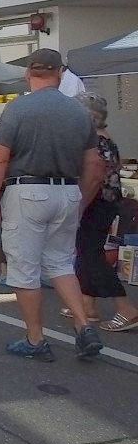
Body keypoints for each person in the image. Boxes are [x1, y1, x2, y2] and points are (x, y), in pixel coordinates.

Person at [0, 49, 104, 361]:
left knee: (24, 269)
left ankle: (36, 339)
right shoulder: (78, 112)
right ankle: (82, 324)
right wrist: (80, 198)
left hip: (27, 191)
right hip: (67, 191)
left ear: (28, 73)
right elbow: (94, 164)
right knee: (61, 263)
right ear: (60, 73)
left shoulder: (18, 109)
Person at [66, 93, 138, 332]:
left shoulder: (96, 140)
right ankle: (88, 305)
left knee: (91, 254)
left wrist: (79, 206)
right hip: (105, 202)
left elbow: (95, 176)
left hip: (97, 202)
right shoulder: (104, 138)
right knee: (88, 252)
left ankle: (125, 308)